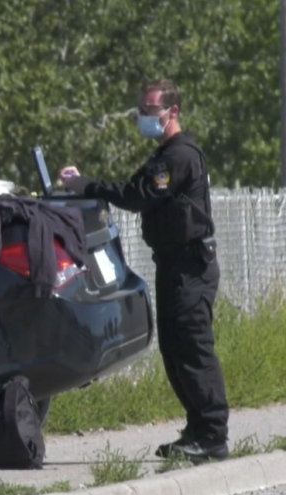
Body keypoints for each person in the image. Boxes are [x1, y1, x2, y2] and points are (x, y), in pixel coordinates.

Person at [58, 80, 230, 463]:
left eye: (151, 111)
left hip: (190, 267)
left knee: (193, 349)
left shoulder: (179, 155)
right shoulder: (165, 154)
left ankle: (213, 434)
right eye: (142, 110)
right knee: (174, 349)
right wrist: (90, 186)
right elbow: (135, 186)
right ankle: (198, 429)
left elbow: (137, 195)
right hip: (174, 265)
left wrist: (86, 185)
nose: (144, 117)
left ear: (173, 112)